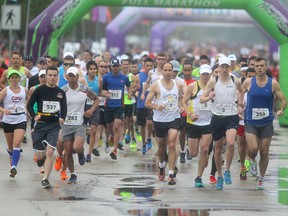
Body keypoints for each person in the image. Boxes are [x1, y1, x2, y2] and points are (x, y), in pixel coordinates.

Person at [239, 57, 287, 190]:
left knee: (264, 152)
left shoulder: (273, 84)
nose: (259, 68)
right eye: (257, 66)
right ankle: (250, 162)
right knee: (253, 149)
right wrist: (239, 104)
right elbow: (240, 92)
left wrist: (281, 110)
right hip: (251, 121)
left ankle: (261, 178)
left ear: (266, 67)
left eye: (262, 66)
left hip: (266, 122)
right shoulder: (249, 82)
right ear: (254, 68)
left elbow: (283, 99)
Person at [200, 56, 243, 190]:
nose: (224, 69)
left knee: (230, 143)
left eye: (226, 67)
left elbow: (241, 91)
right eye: (222, 66)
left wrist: (240, 105)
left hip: (231, 116)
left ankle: (227, 171)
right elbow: (201, 98)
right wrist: (209, 97)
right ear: (218, 67)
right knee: (217, 150)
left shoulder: (234, 80)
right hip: (217, 117)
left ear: (229, 68)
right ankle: (219, 175)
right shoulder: (214, 81)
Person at [27, 66, 67, 189]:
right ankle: (40, 159)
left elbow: (64, 109)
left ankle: (45, 179)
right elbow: (29, 105)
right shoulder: (39, 90)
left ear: (57, 77)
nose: (52, 78)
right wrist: (35, 116)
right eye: (50, 75)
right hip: (40, 125)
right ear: (46, 77)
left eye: (55, 75)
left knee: (50, 151)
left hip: (54, 126)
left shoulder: (60, 93)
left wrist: (62, 118)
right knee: (40, 155)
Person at [145, 62, 183, 185]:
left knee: (172, 144)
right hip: (160, 120)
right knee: (161, 149)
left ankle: (171, 173)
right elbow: (147, 102)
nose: (167, 72)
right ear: (163, 72)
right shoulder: (156, 85)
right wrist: (157, 106)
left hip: (174, 118)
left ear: (173, 71)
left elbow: (181, 98)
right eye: (165, 70)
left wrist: (181, 106)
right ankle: (161, 166)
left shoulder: (178, 84)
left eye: (169, 70)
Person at [61, 66, 99, 183]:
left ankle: (81, 153)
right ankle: (73, 174)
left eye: (74, 76)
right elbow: (56, 104)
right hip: (66, 124)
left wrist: (91, 110)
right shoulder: (62, 90)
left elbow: (96, 99)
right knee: (67, 151)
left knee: (76, 147)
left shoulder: (84, 89)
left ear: (78, 77)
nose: (72, 78)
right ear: (67, 77)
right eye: (70, 76)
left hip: (80, 123)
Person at [183, 64, 213, 188]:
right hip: (194, 123)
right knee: (194, 153)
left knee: (205, 149)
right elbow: (184, 102)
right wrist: (189, 113)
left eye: (207, 74)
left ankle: (199, 177)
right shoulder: (192, 86)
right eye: (203, 74)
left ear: (210, 74)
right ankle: (194, 153)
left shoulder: (214, 87)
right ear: (200, 74)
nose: (205, 76)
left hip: (209, 123)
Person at [102, 57, 132, 160]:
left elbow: (129, 86)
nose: (115, 68)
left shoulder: (124, 78)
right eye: (113, 66)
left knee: (117, 125)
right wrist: (104, 93)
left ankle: (114, 150)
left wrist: (130, 93)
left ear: (119, 66)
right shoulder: (106, 77)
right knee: (110, 127)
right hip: (108, 105)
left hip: (119, 106)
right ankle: (111, 136)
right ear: (111, 67)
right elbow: (102, 89)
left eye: (117, 66)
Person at [0, 70, 28, 178]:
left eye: (16, 77)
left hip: (21, 119)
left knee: (17, 144)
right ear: (9, 79)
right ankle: (11, 154)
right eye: (12, 78)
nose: (15, 79)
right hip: (8, 121)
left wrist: (26, 108)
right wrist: (3, 110)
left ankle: (14, 167)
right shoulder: (5, 91)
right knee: (11, 147)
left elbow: (28, 100)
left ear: (20, 79)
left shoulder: (24, 90)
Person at [134, 57, 154, 153]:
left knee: (149, 122)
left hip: (151, 104)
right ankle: (143, 143)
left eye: (151, 66)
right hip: (141, 104)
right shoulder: (138, 76)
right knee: (142, 125)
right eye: (147, 66)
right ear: (143, 66)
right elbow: (134, 89)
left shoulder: (155, 76)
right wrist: (136, 91)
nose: (149, 68)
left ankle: (149, 137)